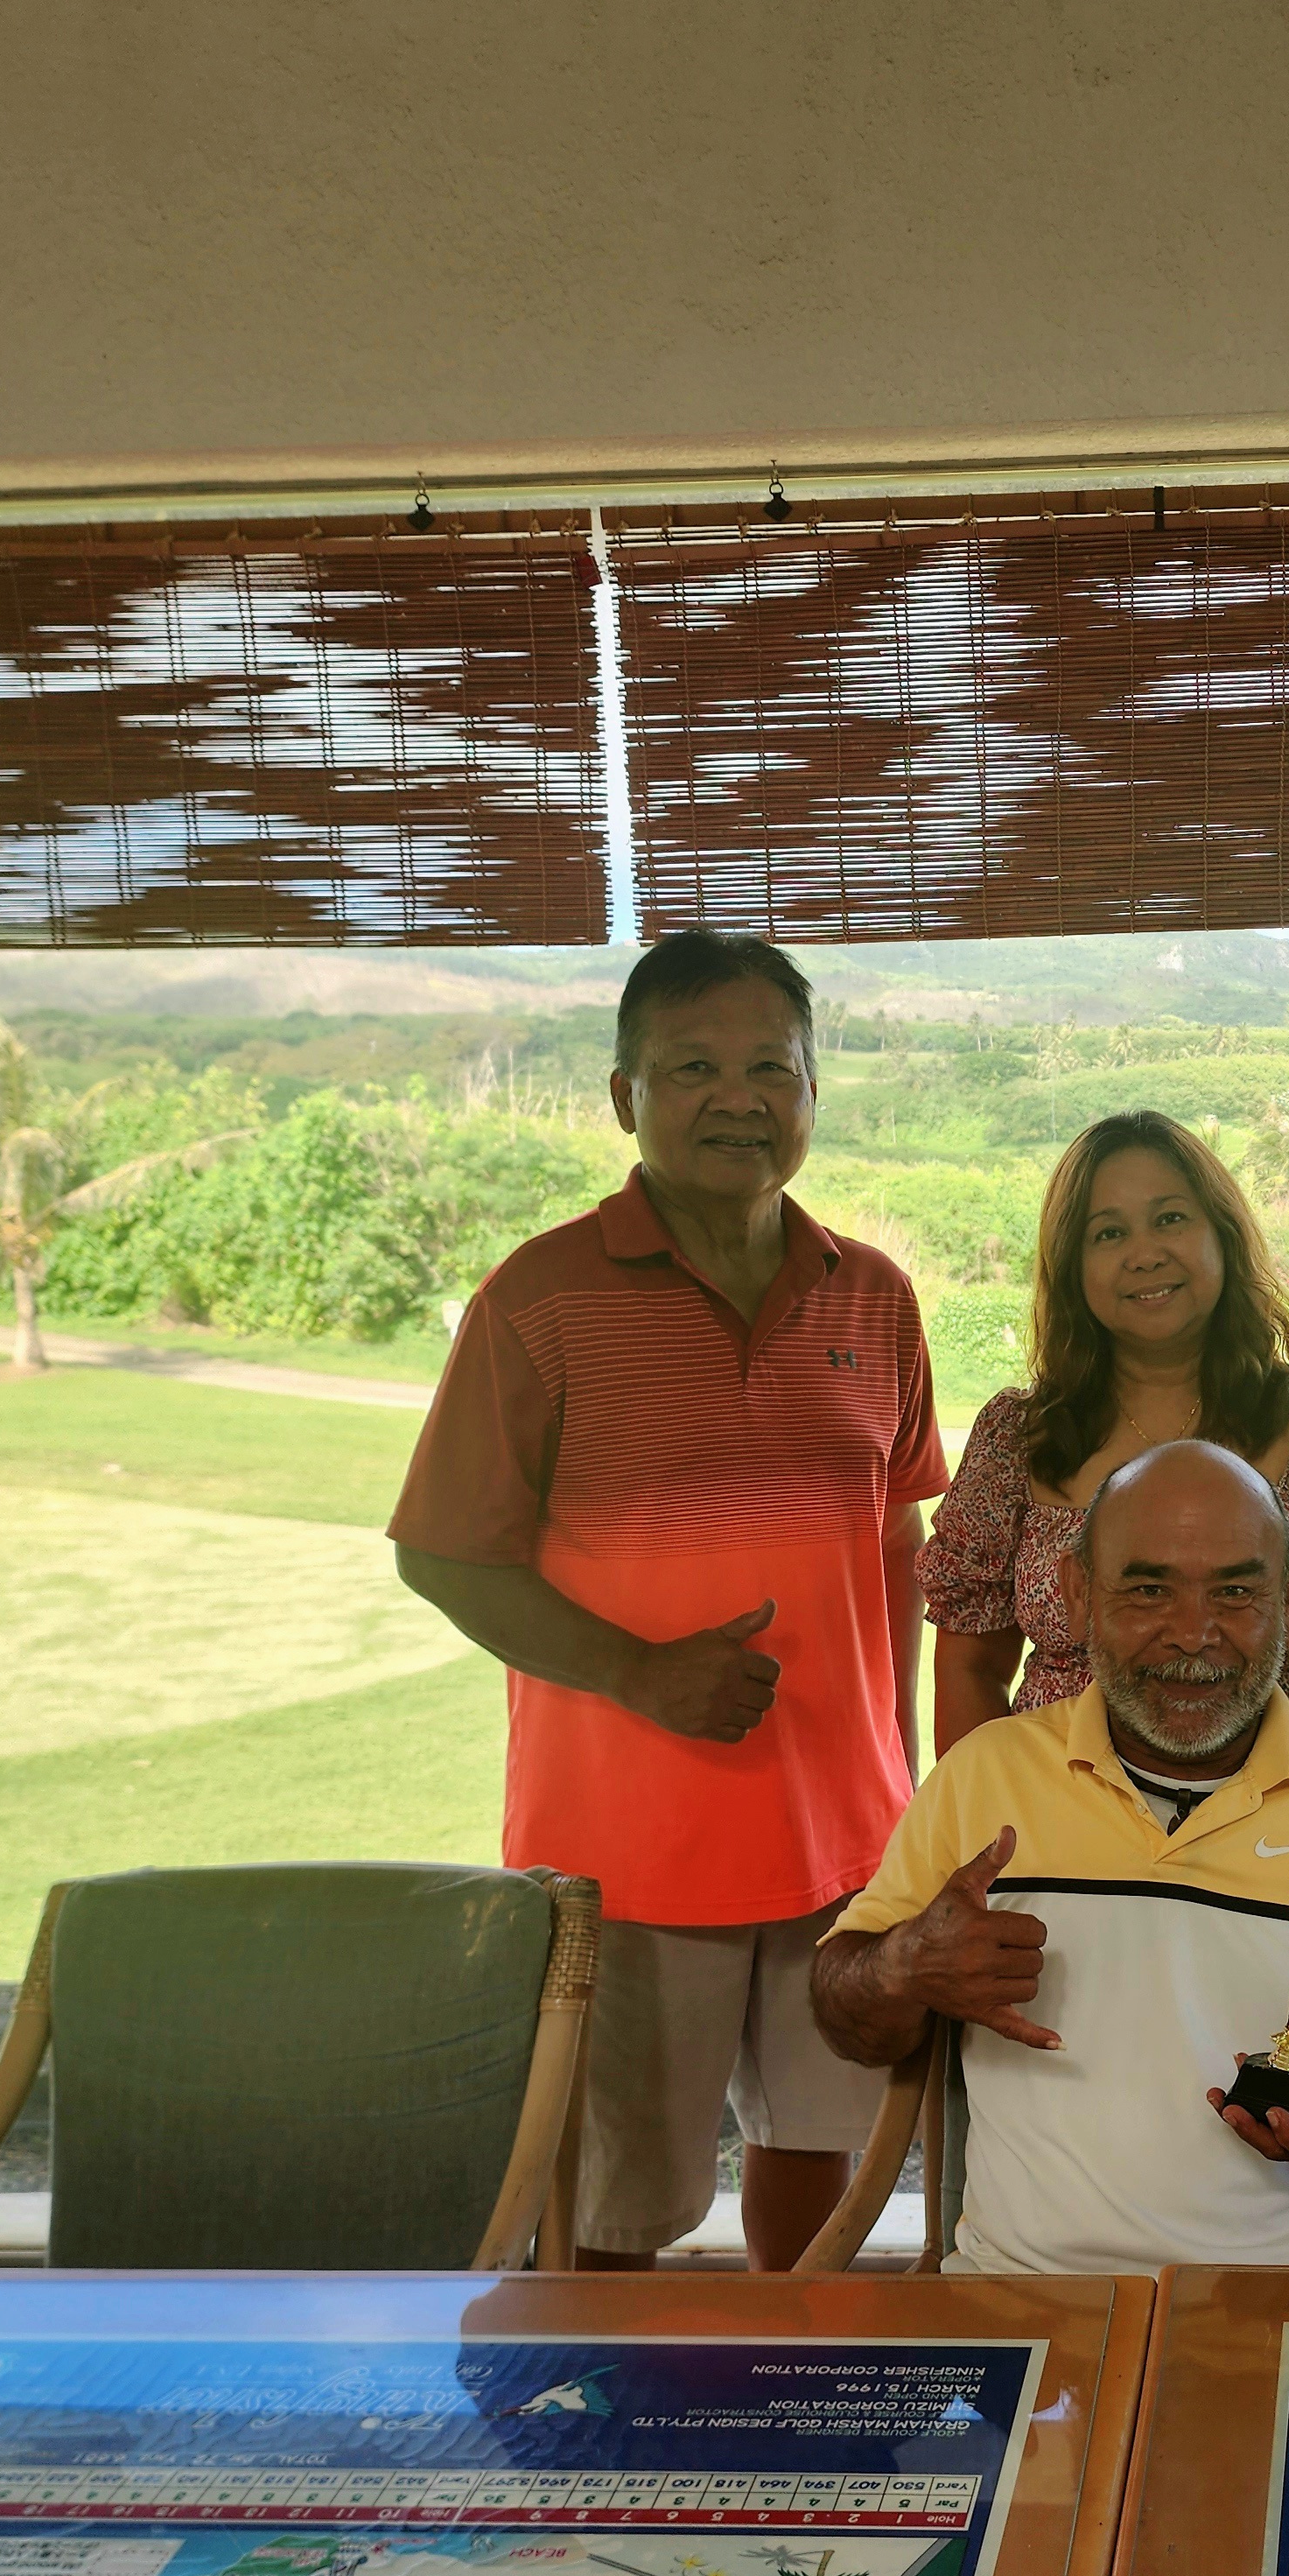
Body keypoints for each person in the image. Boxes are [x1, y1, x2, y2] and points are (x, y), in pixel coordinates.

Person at [389, 928, 947, 2273]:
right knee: (609, 2221)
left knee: (821, 2189)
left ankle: (797, 2443)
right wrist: (641, 1674)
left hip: (843, 1850)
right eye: (692, 1066)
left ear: (814, 1091)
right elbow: (445, 1552)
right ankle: (609, 2465)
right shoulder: (540, 1302)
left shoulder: (871, 1298)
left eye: (773, 1065)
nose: (737, 1096)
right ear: (623, 1095)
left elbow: (895, 1535)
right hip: (626, 1863)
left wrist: (905, 1771)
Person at [815, 1441, 1289, 2276]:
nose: (1194, 1634)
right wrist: (901, 1970)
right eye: (1147, 1590)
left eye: (1238, 1592)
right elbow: (843, 2008)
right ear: (1074, 1596)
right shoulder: (987, 1777)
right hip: (1021, 2303)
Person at [921, 1110, 1289, 1751]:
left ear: (1223, 1234)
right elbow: (970, 1663)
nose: (1144, 1255)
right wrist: (985, 1824)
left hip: (1276, 1831)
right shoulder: (1018, 1438)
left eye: (1170, 1219)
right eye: (1107, 1233)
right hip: (1056, 1831)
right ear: (1072, 1266)